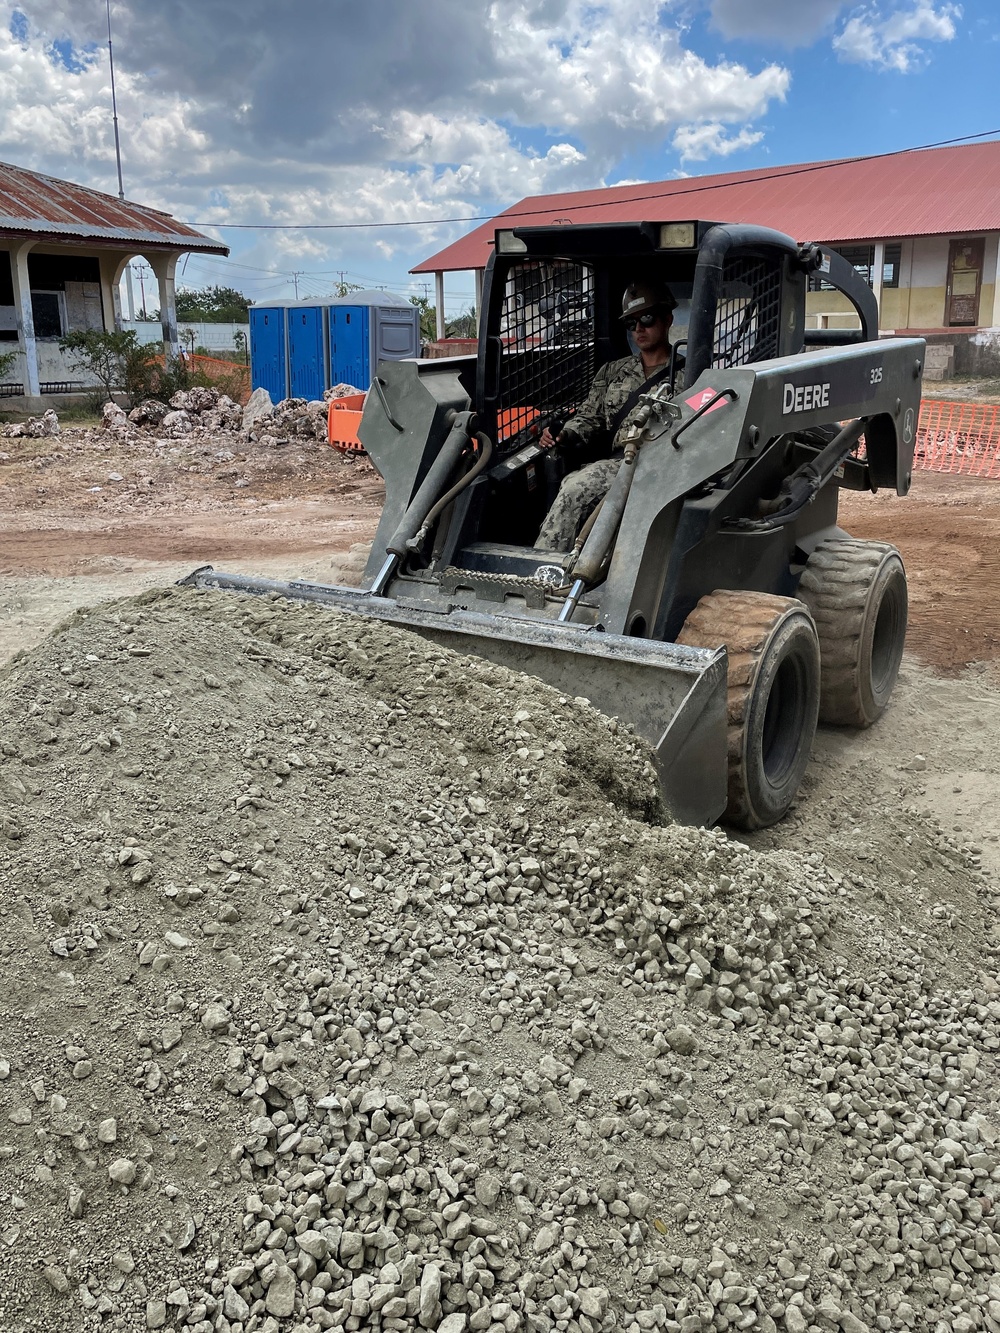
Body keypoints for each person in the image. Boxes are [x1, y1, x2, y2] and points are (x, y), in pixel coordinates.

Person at [535, 280, 679, 552]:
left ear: (667, 319)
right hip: (623, 465)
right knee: (575, 488)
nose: (639, 329)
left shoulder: (691, 374)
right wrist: (564, 433)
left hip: (666, 467)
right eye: (631, 323)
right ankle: (548, 567)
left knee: (576, 488)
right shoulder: (613, 372)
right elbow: (588, 417)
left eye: (646, 318)